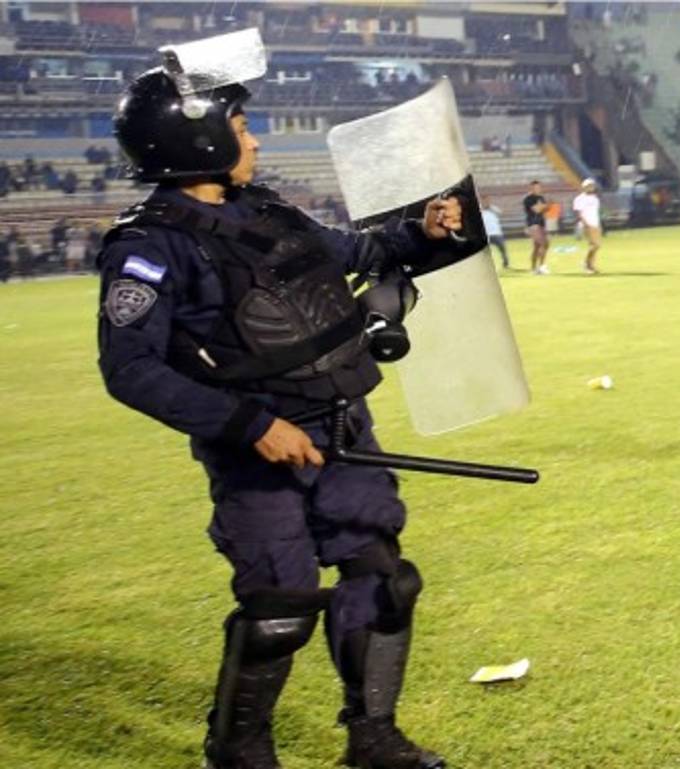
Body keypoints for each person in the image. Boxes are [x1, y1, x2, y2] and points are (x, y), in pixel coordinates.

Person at [97, 59, 466, 769]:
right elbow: (130, 368)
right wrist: (253, 427)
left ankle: (373, 737)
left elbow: (362, 251)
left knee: (384, 578)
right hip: (258, 451)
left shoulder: (269, 211)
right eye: (241, 127)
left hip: (343, 430)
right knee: (281, 606)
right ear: (200, 143)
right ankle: (237, 754)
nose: (255, 140)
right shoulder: (149, 246)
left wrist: (424, 230)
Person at [571, 178, 603, 275]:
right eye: (588, 186)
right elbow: (579, 213)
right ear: (584, 187)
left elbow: (596, 212)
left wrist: (599, 225)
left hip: (595, 224)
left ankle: (591, 265)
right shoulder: (580, 199)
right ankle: (587, 264)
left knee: (596, 246)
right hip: (587, 224)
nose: (591, 188)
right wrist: (585, 224)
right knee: (594, 245)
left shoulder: (595, 198)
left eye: (592, 186)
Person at [522, 179, 550, 274]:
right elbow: (536, 210)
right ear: (531, 188)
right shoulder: (528, 199)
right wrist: (544, 206)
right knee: (544, 243)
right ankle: (541, 266)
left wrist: (544, 206)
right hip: (533, 224)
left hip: (541, 223)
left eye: (539, 187)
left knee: (537, 246)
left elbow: (545, 209)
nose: (538, 189)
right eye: (535, 187)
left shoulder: (541, 198)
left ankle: (533, 268)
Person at [480, 199, 508, 269]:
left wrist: (491, 207)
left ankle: (505, 264)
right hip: (487, 234)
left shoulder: (493, 210)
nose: (485, 203)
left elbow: (502, 213)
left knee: (502, 250)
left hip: (496, 233)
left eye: (486, 202)